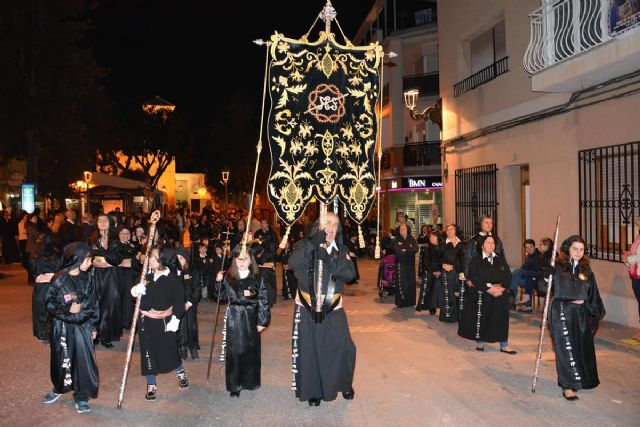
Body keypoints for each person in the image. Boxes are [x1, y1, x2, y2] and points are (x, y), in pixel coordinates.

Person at [288, 212, 356, 406]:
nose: (331, 227)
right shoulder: (304, 246)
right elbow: (293, 264)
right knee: (310, 350)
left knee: (343, 348)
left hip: (333, 308)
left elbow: (350, 274)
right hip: (307, 308)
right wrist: (313, 244)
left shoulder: (341, 249)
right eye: (327, 223)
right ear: (319, 226)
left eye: (335, 224)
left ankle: (343, 384)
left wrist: (329, 259)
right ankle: (313, 391)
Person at [42, 242, 99, 413]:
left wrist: (93, 325)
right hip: (62, 327)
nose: (91, 262)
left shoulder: (88, 277)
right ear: (77, 259)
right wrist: (68, 310)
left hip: (82, 327)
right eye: (89, 259)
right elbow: (49, 303)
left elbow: (93, 303)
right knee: (61, 360)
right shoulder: (60, 279)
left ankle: (81, 396)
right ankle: (59, 388)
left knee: (83, 361)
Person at [549, 235, 605, 400]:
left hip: (580, 313)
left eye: (581, 249)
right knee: (565, 347)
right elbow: (543, 286)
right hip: (562, 311)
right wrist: (548, 275)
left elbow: (592, 292)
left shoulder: (586, 270)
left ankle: (580, 379)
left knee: (581, 346)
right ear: (567, 249)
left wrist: (594, 312)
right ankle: (567, 385)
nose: (578, 252)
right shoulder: (558, 267)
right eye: (575, 249)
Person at [130, 245, 189, 401]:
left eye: (154, 257)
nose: (149, 259)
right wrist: (136, 291)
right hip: (146, 321)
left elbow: (178, 302)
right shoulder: (145, 275)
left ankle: (180, 372)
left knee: (168, 350)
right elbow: (136, 296)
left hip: (164, 321)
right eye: (150, 256)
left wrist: (176, 319)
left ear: (163, 260)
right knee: (147, 351)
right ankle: (151, 384)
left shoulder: (173, 279)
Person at [214, 245, 270, 397]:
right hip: (235, 317)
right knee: (235, 351)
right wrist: (218, 282)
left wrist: (262, 321)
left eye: (245, 259)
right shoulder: (229, 277)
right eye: (239, 259)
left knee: (251, 350)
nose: (242, 262)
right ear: (234, 260)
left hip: (251, 316)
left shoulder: (257, 278)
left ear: (251, 260)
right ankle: (235, 385)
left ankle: (250, 382)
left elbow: (263, 300)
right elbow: (221, 297)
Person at [459, 235, 516, 354]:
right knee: (484, 317)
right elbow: (473, 277)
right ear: (482, 245)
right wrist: (488, 289)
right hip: (484, 292)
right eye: (488, 243)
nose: (491, 245)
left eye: (493, 243)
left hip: (500, 292)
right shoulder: (476, 260)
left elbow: (508, 275)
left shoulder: (499, 259)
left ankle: (504, 344)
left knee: (502, 318)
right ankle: (481, 340)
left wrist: (503, 288)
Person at [90, 214, 123, 348]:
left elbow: (116, 259)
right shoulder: (91, 238)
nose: (102, 223)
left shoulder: (115, 239)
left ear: (110, 223)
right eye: (99, 220)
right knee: (95, 304)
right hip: (95, 274)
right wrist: (93, 261)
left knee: (110, 305)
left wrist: (102, 251)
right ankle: (95, 334)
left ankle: (106, 336)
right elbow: (87, 255)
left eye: (105, 220)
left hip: (110, 275)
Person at [31, 234, 62, 343]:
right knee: (54, 310)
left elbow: (33, 270)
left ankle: (42, 334)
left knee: (40, 310)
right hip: (54, 285)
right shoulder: (59, 256)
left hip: (41, 286)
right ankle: (54, 332)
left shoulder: (36, 257)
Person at [176, 247, 201, 360]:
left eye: (181, 258)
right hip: (178, 305)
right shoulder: (173, 272)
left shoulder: (193, 271)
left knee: (191, 326)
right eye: (176, 258)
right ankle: (182, 348)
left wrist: (190, 302)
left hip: (190, 304)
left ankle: (193, 347)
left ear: (186, 259)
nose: (179, 261)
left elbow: (197, 289)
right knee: (180, 327)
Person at [439, 224, 465, 323]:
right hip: (448, 273)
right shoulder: (442, 245)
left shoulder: (462, 244)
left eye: (451, 229)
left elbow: (466, 259)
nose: (449, 232)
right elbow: (437, 259)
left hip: (460, 273)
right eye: (447, 230)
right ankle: (449, 317)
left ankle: (460, 317)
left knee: (460, 295)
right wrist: (442, 265)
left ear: (455, 231)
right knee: (449, 295)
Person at [115, 227, 139, 330]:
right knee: (118, 298)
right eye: (122, 233)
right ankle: (118, 322)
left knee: (128, 299)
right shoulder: (115, 245)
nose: (125, 235)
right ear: (119, 234)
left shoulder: (133, 245)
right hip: (118, 275)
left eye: (127, 233)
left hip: (130, 275)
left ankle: (127, 322)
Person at [508, 239, 542, 311]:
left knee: (517, 271)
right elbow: (523, 268)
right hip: (527, 278)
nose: (529, 249)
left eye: (530, 247)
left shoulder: (539, 256)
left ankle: (511, 294)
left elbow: (538, 272)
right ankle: (511, 297)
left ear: (534, 246)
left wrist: (523, 272)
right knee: (516, 276)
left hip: (535, 280)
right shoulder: (528, 257)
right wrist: (522, 272)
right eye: (527, 247)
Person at [391, 223, 418, 308]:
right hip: (400, 264)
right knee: (401, 283)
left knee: (411, 282)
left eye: (404, 228)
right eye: (401, 228)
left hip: (410, 265)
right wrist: (408, 250)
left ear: (407, 229)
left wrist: (405, 250)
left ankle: (410, 302)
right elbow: (398, 251)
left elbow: (416, 249)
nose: (402, 230)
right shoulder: (396, 239)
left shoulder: (412, 238)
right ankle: (401, 302)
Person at [623, 216, 640, 341]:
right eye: (638, 221)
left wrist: (627, 259)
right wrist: (628, 257)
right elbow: (635, 254)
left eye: (639, 221)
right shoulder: (638, 237)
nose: (638, 223)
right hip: (636, 275)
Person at [417, 231, 443, 314]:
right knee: (428, 290)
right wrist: (433, 271)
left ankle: (434, 307)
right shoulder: (427, 248)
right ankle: (428, 307)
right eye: (430, 237)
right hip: (429, 271)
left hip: (439, 271)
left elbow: (444, 260)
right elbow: (426, 262)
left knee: (436, 291)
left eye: (434, 236)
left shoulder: (442, 247)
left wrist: (439, 271)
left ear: (438, 237)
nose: (431, 238)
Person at [253, 220, 278, 306]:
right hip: (259, 260)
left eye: (263, 223)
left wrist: (265, 243)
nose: (262, 224)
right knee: (260, 280)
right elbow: (254, 245)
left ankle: (270, 300)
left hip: (269, 260)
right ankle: (260, 299)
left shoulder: (272, 233)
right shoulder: (257, 233)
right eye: (261, 223)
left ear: (267, 224)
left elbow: (275, 245)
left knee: (269, 281)